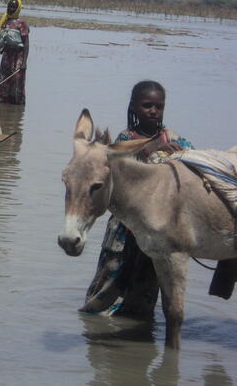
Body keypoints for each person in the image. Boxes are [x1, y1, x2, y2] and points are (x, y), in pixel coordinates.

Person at [80, 80, 194, 317]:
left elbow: (194, 165)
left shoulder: (174, 139)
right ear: (134, 107)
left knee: (144, 296)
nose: (153, 111)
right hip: (123, 229)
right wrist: (149, 153)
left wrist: (180, 155)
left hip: (157, 231)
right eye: (147, 105)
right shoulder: (124, 141)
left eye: (158, 106)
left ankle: (136, 331)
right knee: (106, 284)